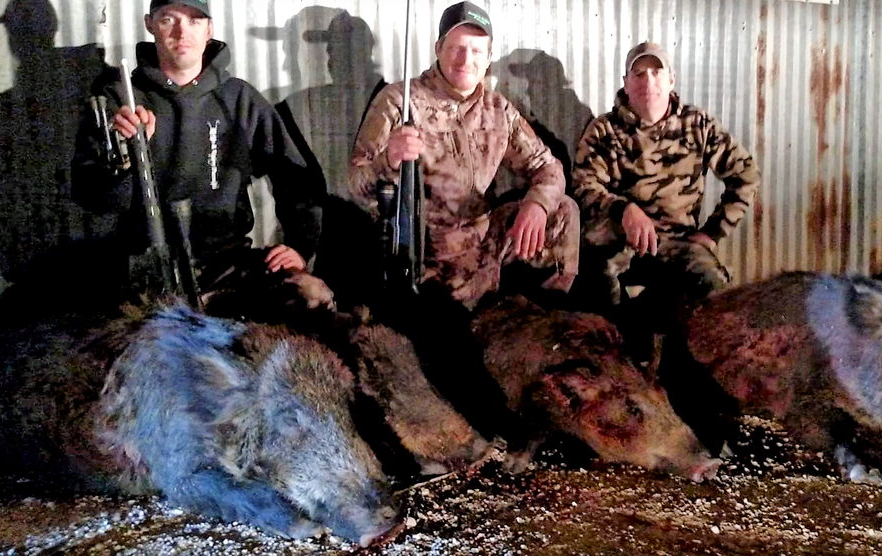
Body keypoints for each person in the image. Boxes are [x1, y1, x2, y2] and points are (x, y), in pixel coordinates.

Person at [348, 1, 580, 466]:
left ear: (488, 55)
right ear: (439, 49)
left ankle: (544, 326)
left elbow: (548, 168)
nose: (465, 60)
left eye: (476, 51)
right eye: (456, 49)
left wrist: (536, 205)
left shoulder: (498, 108)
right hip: (424, 253)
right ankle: (492, 418)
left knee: (564, 212)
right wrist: (389, 159)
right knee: (441, 340)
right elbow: (354, 185)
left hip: (482, 245)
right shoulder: (400, 100)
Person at [71, 0, 325, 305]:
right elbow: (90, 195)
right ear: (150, 24)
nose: (182, 32)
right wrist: (130, 157)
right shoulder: (119, 100)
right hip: (145, 270)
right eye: (169, 20)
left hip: (226, 265)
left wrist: (298, 246)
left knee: (312, 296)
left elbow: (297, 179)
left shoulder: (239, 98)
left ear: (209, 29)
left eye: (194, 21)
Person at [572, 41, 760, 355]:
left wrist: (712, 233)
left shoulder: (697, 125)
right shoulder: (604, 131)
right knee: (594, 272)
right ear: (626, 83)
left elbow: (745, 174)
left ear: (671, 80)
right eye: (639, 74)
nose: (648, 82)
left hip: (677, 243)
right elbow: (584, 185)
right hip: (622, 241)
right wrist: (623, 209)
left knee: (713, 289)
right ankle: (620, 355)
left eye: (657, 73)